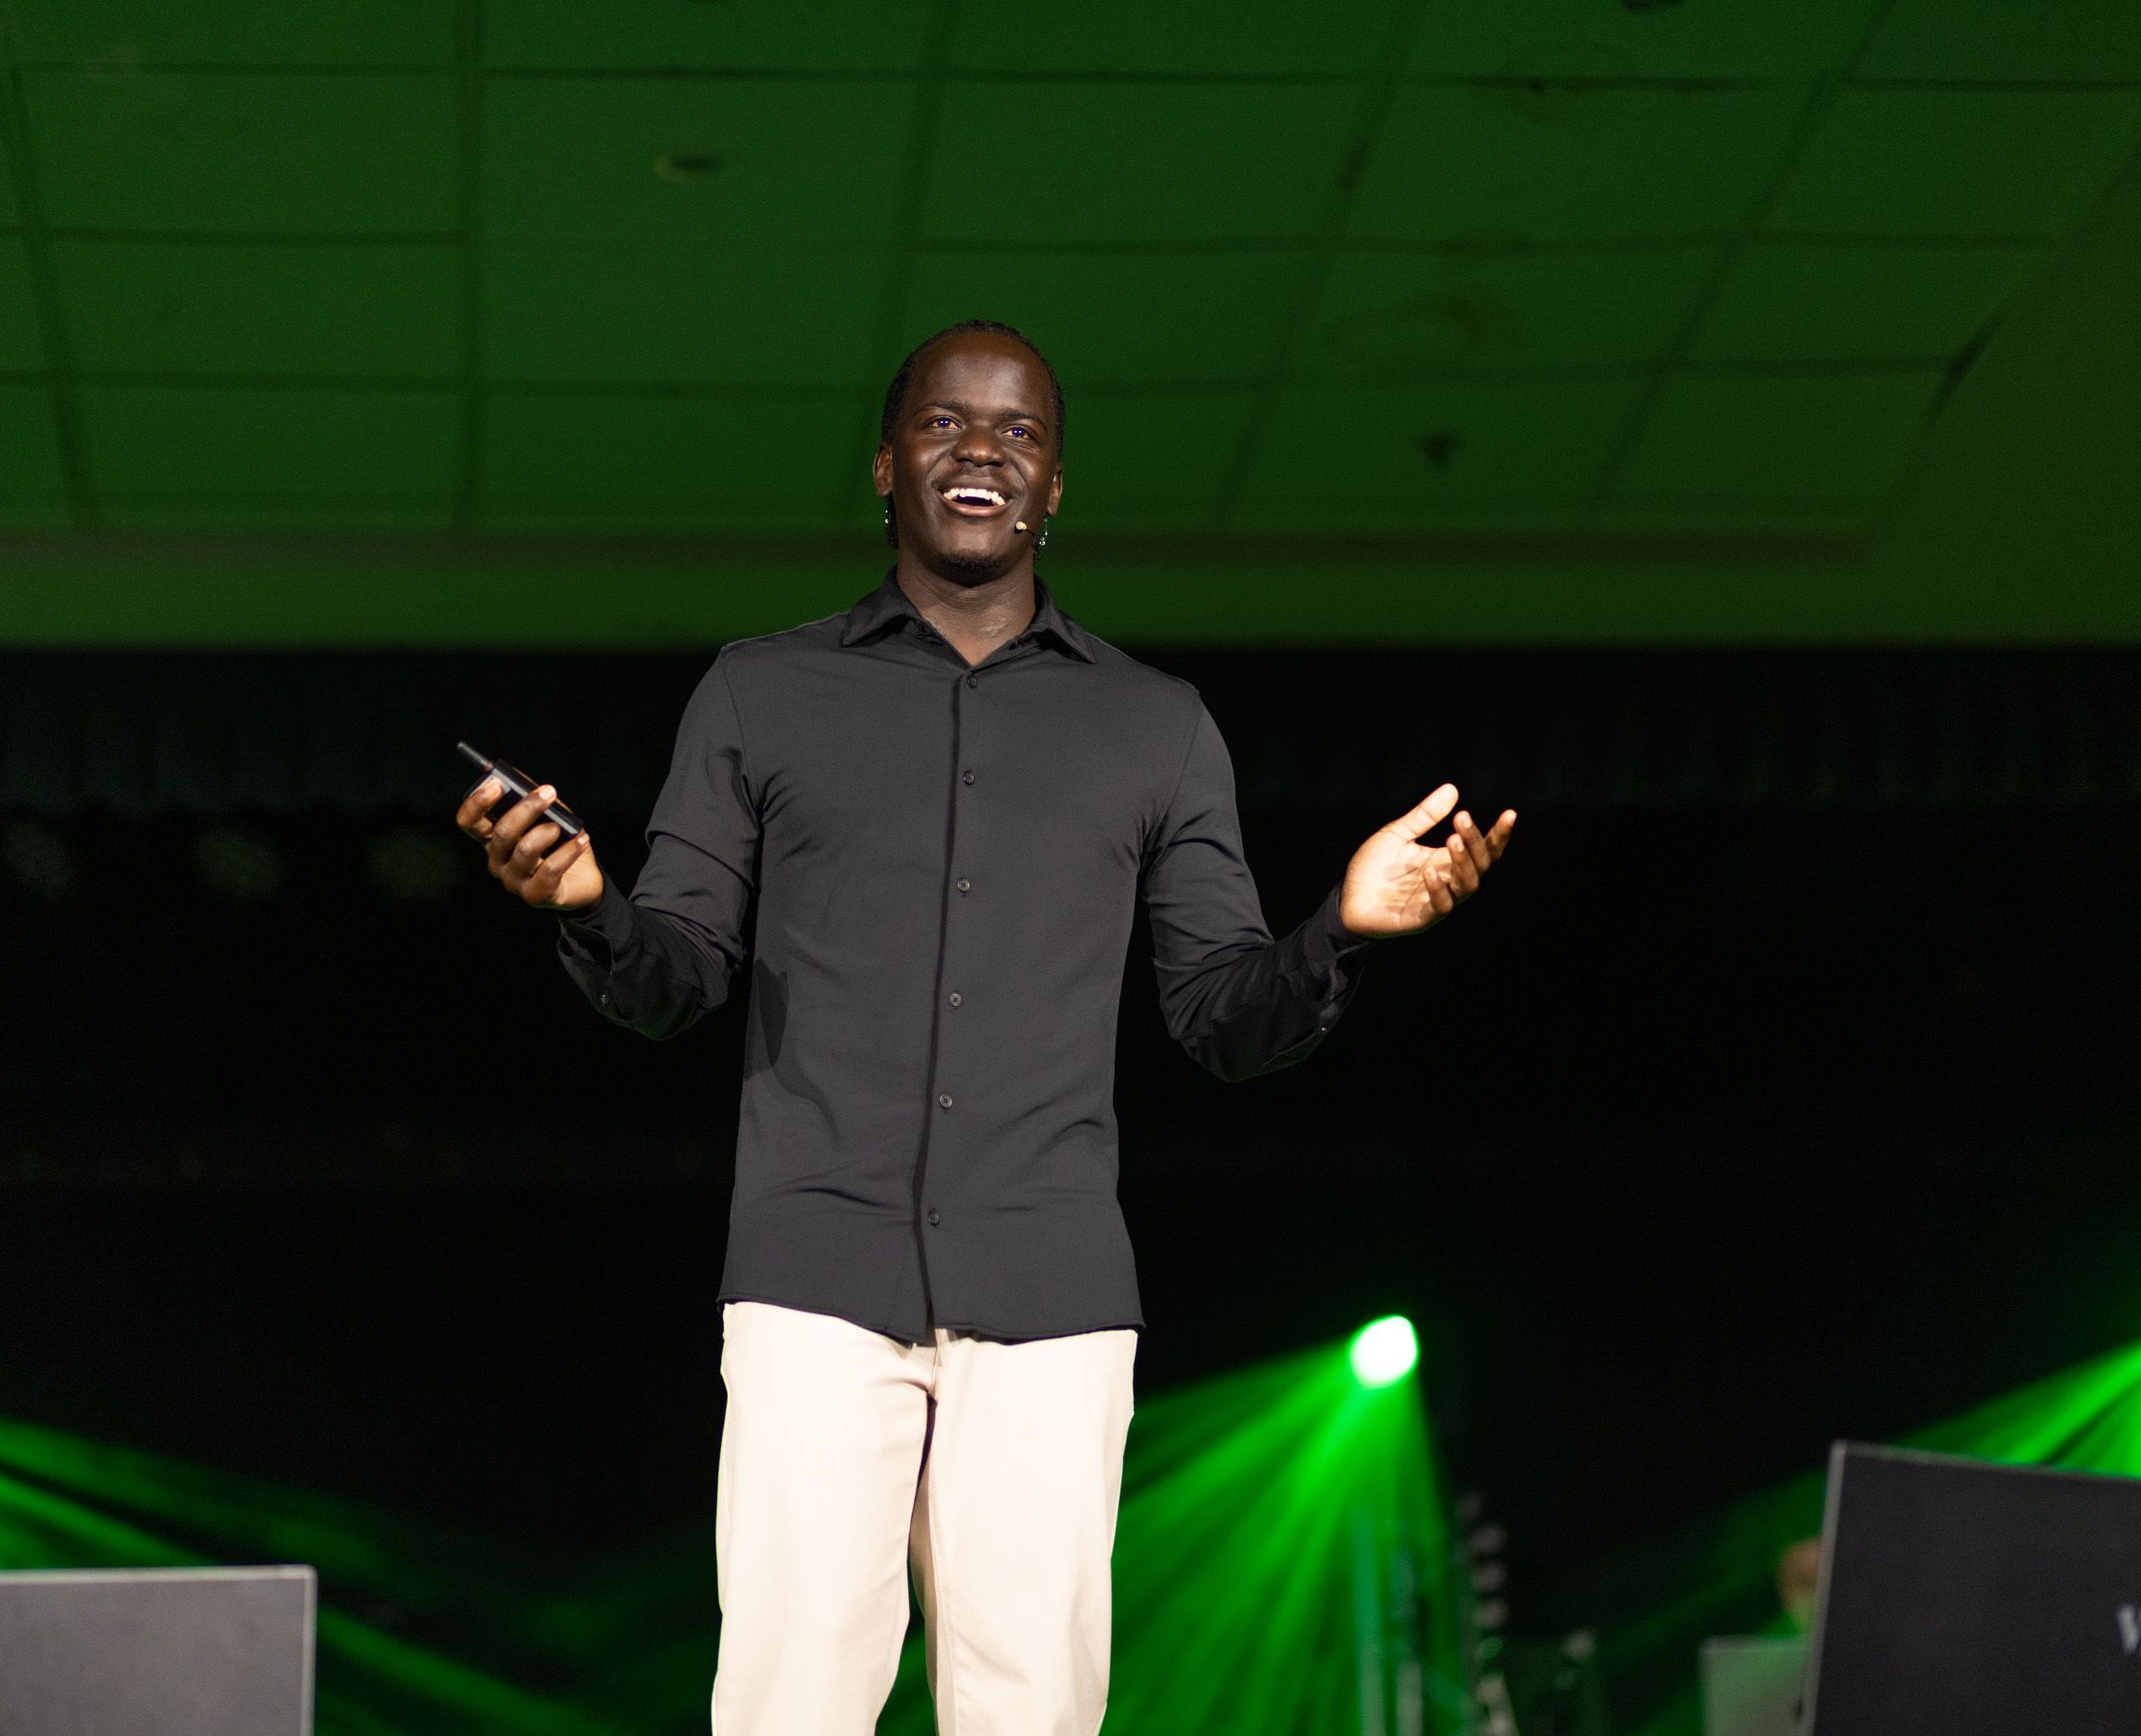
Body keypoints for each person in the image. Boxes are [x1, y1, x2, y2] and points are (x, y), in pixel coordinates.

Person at [455, 319, 1515, 1736]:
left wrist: (1345, 926)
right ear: (885, 465)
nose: (981, 451)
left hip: (1051, 1287)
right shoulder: (759, 692)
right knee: (789, 1702)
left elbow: (1223, 1017)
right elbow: (676, 976)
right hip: (812, 1274)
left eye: (1017, 432)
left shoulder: (1159, 726)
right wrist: (587, 900)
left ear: (1056, 484)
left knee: (1031, 1709)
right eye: (948, 424)